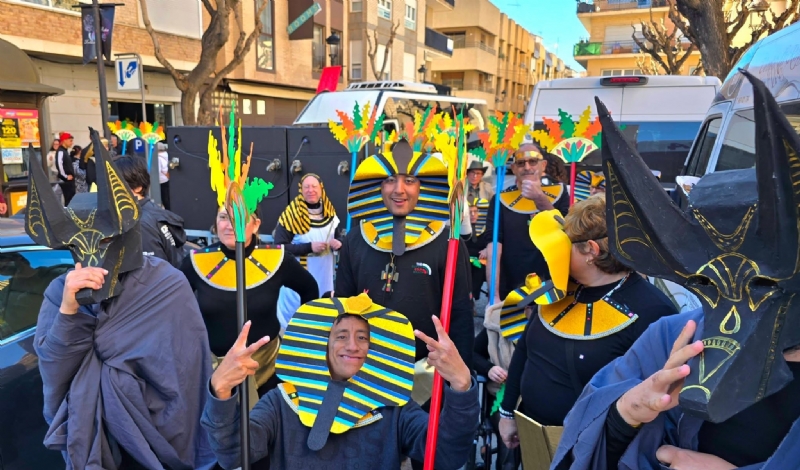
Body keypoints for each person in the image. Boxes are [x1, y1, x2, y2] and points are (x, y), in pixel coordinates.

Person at [553, 73, 800, 470]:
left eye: (760, 283)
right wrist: (628, 411)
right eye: (708, 282)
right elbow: (581, 449)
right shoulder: (674, 337)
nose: (734, 310)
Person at [26, 129, 216, 469]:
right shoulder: (60, 291)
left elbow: (186, 374)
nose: (91, 255)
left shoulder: (166, 285)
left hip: (158, 445)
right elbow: (53, 374)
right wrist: (70, 310)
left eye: (103, 241)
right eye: (78, 246)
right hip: (92, 443)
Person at [201, 293, 480, 469]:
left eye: (363, 337)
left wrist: (462, 386)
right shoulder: (281, 401)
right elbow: (234, 454)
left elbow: (445, 455)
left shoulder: (394, 409)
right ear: (323, 343)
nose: (353, 345)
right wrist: (221, 391)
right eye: (341, 335)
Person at [496, 198, 677, 456]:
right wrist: (507, 413)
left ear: (591, 250)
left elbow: (658, 399)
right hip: (530, 438)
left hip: (591, 451)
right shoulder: (558, 289)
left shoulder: (653, 311)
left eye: (564, 245)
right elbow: (525, 350)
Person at [335, 138, 475, 374]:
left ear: (423, 187)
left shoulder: (448, 243)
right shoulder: (356, 239)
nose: (399, 189)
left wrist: (460, 383)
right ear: (378, 187)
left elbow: (461, 318)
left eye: (409, 181)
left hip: (427, 375)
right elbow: (342, 306)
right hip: (367, 370)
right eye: (389, 180)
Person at [180, 199, 318, 397]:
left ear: (256, 225)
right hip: (213, 375)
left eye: (241, 219)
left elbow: (310, 289)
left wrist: (299, 339)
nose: (230, 225)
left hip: (268, 373)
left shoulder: (277, 259)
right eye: (224, 217)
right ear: (216, 222)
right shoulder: (196, 262)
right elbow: (173, 306)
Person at [485, 142, 570, 303]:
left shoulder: (560, 192)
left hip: (551, 284)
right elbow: (494, 247)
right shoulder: (500, 200)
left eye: (533, 161)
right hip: (511, 286)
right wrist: (493, 296)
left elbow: (566, 233)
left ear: (543, 165)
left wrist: (540, 199)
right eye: (521, 163)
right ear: (514, 168)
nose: (527, 167)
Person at [274, 173, 343, 328]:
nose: (310, 190)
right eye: (306, 187)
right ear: (301, 190)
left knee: (322, 317)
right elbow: (278, 247)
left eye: (314, 186)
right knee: (296, 321)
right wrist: (309, 247)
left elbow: (340, 238)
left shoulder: (331, 214)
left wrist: (339, 243)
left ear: (321, 189)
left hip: (325, 277)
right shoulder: (291, 215)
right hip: (298, 278)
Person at [113, 155, 187, 268]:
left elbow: (151, 275)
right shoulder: (150, 212)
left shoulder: (140, 223)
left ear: (137, 187)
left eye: (114, 184)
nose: (107, 190)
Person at [465, 198, 490, 302]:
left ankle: (473, 298)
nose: (473, 215)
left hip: (481, 260)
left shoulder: (487, 228)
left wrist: (486, 249)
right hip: (465, 258)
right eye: (470, 212)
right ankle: (468, 300)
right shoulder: (462, 229)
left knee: (479, 269)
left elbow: (492, 242)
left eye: (475, 212)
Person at [55, 132, 75, 205]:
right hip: (66, 180)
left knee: (71, 199)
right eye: (70, 141)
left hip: (69, 179)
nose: (72, 143)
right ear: (64, 140)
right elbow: (59, 165)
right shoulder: (61, 151)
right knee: (69, 199)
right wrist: (65, 176)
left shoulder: (65, 151)